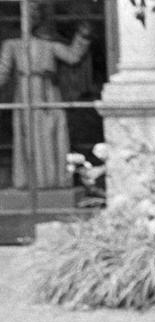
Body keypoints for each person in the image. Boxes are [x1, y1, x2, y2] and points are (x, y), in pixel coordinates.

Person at [0, 8, 92, 189]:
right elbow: (2, 71)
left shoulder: (49, 44)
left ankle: (52, 181)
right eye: (27, 16)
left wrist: (83, 35)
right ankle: (30, 181)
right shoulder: (12, 44)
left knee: (50, 133)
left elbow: (72, 56)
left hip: (49, 91)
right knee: (28, 134)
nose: (31, 20)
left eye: (34, 16)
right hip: (25, 91)